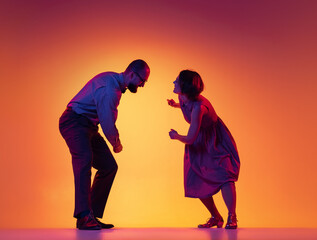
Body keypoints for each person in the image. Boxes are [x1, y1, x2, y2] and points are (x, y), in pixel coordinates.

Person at [59, 59, 150, 230]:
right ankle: (84, 216)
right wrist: (116, 143)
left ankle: (91, 214)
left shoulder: (113, 81)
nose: (142, 85)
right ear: (131, 73)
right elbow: (107, 121)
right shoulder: (110, 89)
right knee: (84, 162)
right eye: (142, 80)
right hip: (74, 122)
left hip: (89, 126)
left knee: (108, 166)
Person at [168, 70, 240, 229]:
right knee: (196, 178)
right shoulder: (183, 97)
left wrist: (176, 136)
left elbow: (190, 138)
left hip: (214, 141)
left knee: (224, 175)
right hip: (200, 140)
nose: (173, 82)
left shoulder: (200, 108)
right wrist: (175, 105)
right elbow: (186, 104)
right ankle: (216, 217)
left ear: (185, 87)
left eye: (176, 81)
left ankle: (232, 216)